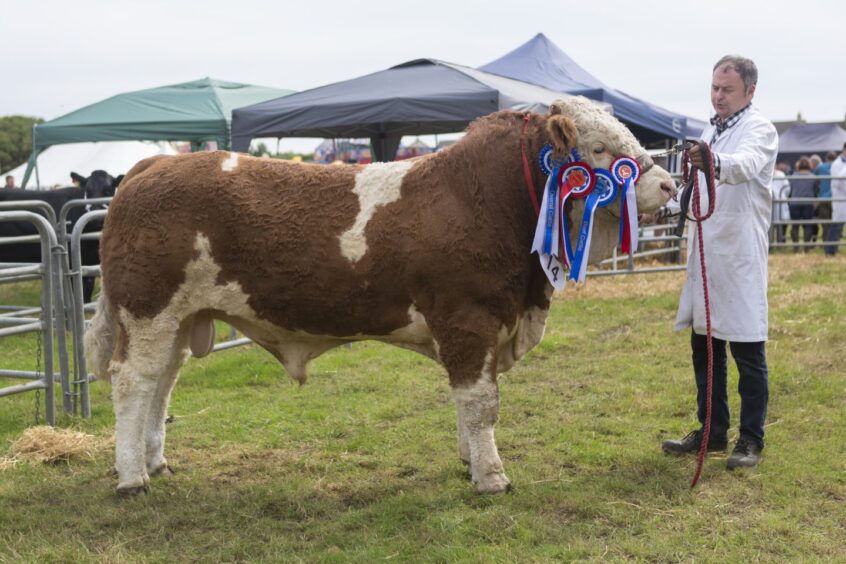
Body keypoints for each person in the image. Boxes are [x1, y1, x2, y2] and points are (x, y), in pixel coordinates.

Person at [661, 55, 777, 470]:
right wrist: (659, 207)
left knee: (747, 351)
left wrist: (712, 160)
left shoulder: (759, 129)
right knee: (705, 348)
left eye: (727, 89)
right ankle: (711, 431)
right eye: (714, 88)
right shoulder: (710, 129)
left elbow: (743, 166)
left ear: (749, 91)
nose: (719, 96)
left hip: (739, 254)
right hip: (707, 255)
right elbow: (693, 188)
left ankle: (750, 439)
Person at [788, 157, 817, 252]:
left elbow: (790, 189)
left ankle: (796, 247)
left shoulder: (793, 176)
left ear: (798, 166)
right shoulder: (813, 177)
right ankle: (806, 247)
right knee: (807, 225)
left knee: (795, 225)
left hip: (795, 203)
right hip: (808, 203)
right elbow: (815, 190)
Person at [816, 151, 837, 252]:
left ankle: (826, 245)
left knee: (825, 224)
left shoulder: (820, 168)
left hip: (823, 199)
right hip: (835, 199)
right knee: (836, 223)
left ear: (826, 158)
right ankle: (834, 245)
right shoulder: (838, 166)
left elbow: (815, 180)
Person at [828, 142, 846, 255]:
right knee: (837, 225)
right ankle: (830, 250)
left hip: (843, 198)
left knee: (839, 225)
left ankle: (833, 248)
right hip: (840, 198)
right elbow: (838, 182)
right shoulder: (837, 164)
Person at [771, 162, 791, 244]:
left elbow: (787, 189)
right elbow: (787, 189)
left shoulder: (780, 174)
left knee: (774, 224)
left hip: (776, 202)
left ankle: (775, 243)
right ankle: (781, 242)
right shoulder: (781, 174)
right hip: (779, 201)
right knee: (779, 223)